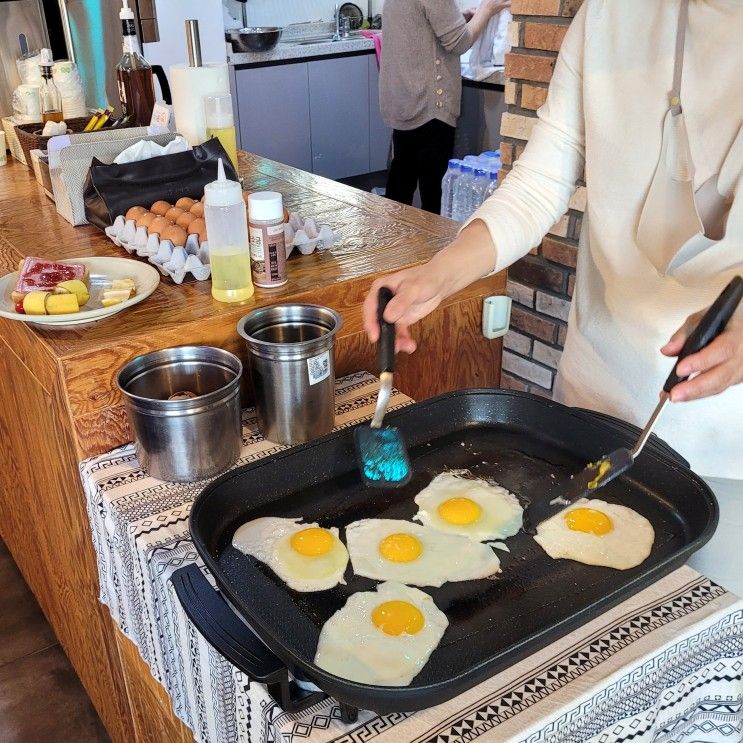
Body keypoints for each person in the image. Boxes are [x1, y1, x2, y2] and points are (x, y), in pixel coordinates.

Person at [365, 0, 743, 593]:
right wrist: (438, 274)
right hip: (591, 408)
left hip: (729, 452)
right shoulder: (611, 15)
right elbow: (540, 180)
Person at [380, 0, 511, 214]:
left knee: (401, 182)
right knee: (434, 194)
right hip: (429, 105)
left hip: (406, 100)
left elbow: (421, 22)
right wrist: (488, 9)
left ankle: (394, 243)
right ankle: (432, 247)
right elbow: (460, 42)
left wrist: (461, 18)